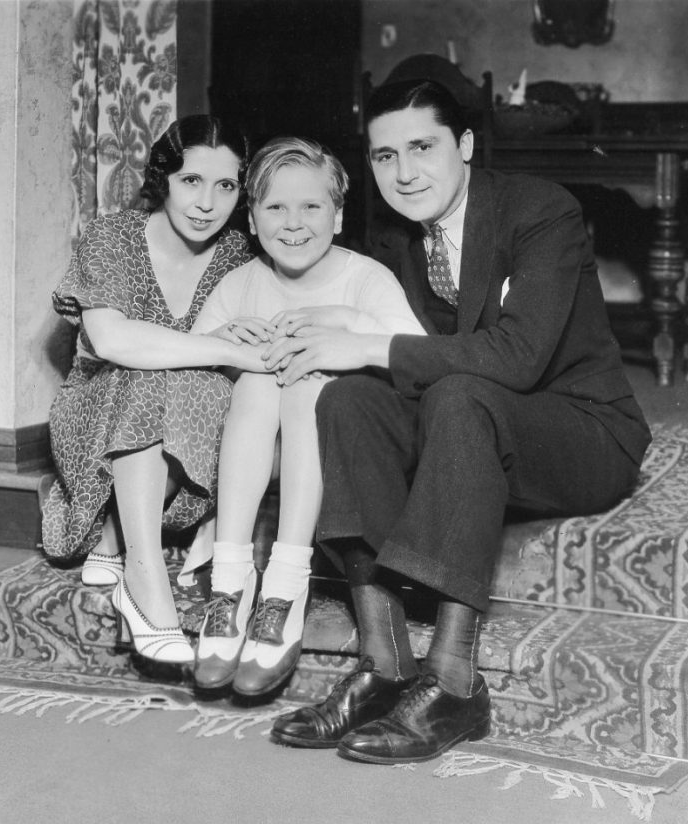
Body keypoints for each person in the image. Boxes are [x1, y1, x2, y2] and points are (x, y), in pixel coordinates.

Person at [264, 80, 652, 763]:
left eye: (423, 147)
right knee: (347, 400)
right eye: (385, 156)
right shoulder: (392, 233)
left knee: (458, 394)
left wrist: (367, 344)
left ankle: (454, 681)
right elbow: (409, 348)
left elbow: (518, 357)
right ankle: (385, 666)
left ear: (466, 145)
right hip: (467, 433)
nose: (405, 173)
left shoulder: (539, 210)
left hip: (581, 431)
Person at [189, 137, 425, 696]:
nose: (293, 223)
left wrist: (347, 320)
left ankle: (285, 583)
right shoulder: (241, 282)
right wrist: (224, 340)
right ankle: (230, 581)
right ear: (252, 220)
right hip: (255, 452)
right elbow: (192, 361)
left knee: (305, 377)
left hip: (331, 446)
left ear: (338, 217)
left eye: (312, 207)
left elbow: (418, 353)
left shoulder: (365, 278)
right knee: (255, 381)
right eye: (275, 207)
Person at [41, 115, 267, 666]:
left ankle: (116, 536)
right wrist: (221, 348)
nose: (207, 203)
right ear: (164, 178)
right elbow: (113, 340)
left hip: (184, 431)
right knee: (146, 375)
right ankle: (144, 578)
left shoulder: (237, 252)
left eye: (226, 186)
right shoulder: (113, 235)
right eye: (191, 181)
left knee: (204, 386)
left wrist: (232, 351)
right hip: (98, 413)